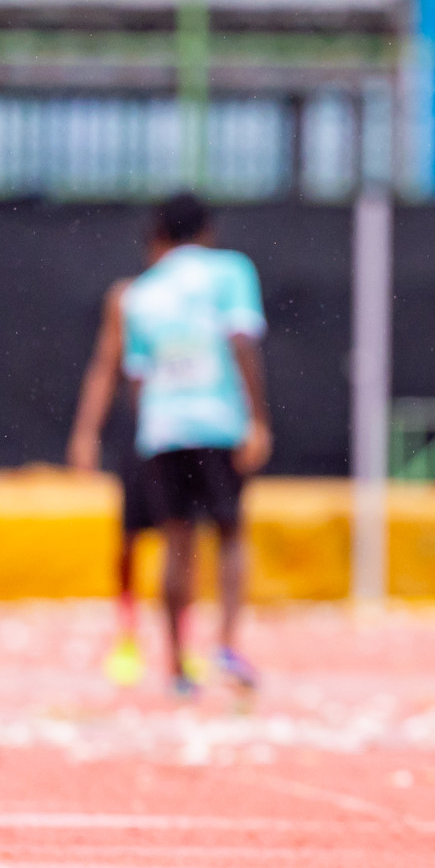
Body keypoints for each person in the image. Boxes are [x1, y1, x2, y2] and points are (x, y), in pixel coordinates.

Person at [120, 193, 273, 697]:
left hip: (163, 428)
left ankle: (177, 667)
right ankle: (226, 644)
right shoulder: (229, 272)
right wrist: (257, 419)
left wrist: (154, 426)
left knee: (176, 542)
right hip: (217, 421)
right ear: (206, 230)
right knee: (230, 535)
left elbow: (137, 376)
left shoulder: (142, 292)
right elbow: (241, 343)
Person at [68, 276, 152, 687]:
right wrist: (86, 432)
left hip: (188, 431)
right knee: (129, 536)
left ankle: (184, 639)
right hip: (146, 429)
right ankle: (128, 629)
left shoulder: (206, 294)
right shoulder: (130, 298)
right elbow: (106, 363)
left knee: (185, 535)